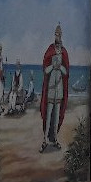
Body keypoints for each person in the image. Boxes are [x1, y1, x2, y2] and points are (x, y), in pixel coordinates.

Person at [40, 24, 70, 152]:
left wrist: (60, 67)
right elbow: (45, 70)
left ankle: (55, 138)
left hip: (60, 88)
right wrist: (53, 65)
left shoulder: (64, 51)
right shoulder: (50, 50)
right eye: (56, 34)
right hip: (51, 87)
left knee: (57, 115)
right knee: (48, 115)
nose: (57, 36)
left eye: (59, 34)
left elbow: (66, 71)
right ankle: (45, 139)